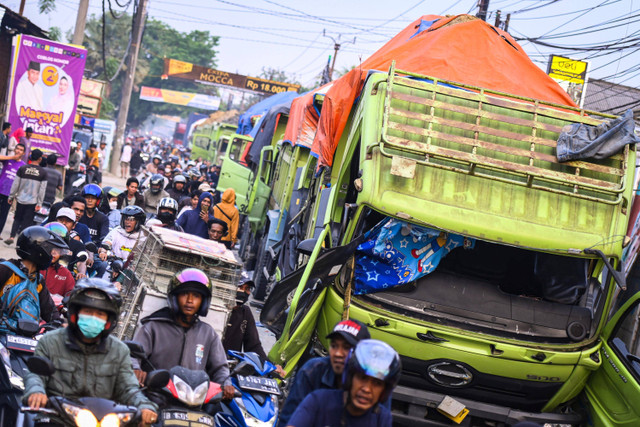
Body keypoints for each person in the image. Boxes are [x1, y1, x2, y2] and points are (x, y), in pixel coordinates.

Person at [23, 279, 159, 426]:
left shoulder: (119, 351)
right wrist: (36, 391)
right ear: (75, 314)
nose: (93, 318)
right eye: (88, 311)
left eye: (100, 313)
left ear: (109, 320)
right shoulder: (50, 341)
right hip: (57, 419)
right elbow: (36, 376)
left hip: (104, 421)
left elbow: (129, 388)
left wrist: (145, 406)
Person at [131, 268, 235, 400]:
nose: (190, 300)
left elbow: (220, 368)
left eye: (196, 296)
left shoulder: (208, 333)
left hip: (194, 401)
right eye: (185, 294)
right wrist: (136, 370)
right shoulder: (153, 327)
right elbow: (133, 355)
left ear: (203, 302)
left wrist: (226, 384)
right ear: (174, 297)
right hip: (154, 397)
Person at [278, 319, 371, 427]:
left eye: (346, 347)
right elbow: (289, 419)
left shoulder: (374, 383)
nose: (338, 353)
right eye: (334, 346)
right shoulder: (311, 371)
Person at [287, 339, 400, 427]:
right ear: (350, 378)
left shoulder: (381, 418)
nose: (366, 389)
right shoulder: (318, 401)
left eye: (377, 383)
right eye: (362, 378)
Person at [0, 226, 66, 332]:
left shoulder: (38, 280)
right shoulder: (5, 270)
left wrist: (61, 325)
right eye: (51, 251)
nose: (52, 256)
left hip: (26, 336)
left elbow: (49, 311)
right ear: (38, 250)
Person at [5, 149, 48, 245]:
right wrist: (39, 203)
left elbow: (15, 184)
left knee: (17, 218)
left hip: (20, 199)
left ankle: (12, 236)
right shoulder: (43, 173)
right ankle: (21, 242)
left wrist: (11, 196)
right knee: (26, 222)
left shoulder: (22, 168)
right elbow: (42, 190)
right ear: (40, 159)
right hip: (32, 201)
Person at [39, 222, 75, 297]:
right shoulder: (32, 267)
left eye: (58, 249)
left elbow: (70, 297)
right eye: (49, 247)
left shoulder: (65, 274)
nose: (53, 252)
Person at [54, 207, 88, 280]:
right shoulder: (46, 239)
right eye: (61, 220)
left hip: (64, 279)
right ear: (55, 221)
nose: (63, 223)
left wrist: (81, 273)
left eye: (68, 221)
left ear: (74, 225)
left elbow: (81, 262)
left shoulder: (78, 245)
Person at [0, 143, 25, 238]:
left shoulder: (23, 166)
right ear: (14, 150)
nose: (18, 151)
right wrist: (12, 157)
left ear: (23, 153)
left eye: (21, 150)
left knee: (3, 214)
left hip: (10, 194)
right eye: (17, 149)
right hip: (0, 188)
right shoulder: (8, 160)